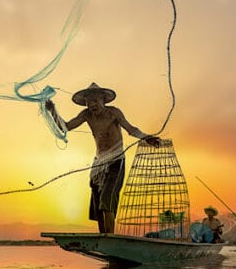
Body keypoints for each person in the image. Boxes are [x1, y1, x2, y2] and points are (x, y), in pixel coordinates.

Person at [45, 82, 161, 234]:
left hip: (116, 159)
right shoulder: (86, 115)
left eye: (95, 100)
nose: (92, 104)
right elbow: (65, 127)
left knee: (107, 199)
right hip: (99, 162)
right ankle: (103, 236)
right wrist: (52, 110)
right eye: (88, 101)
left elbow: (131, 130)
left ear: (103, 100)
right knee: (98, 201)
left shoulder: (114, 113)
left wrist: (148, 138)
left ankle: (110, 236)